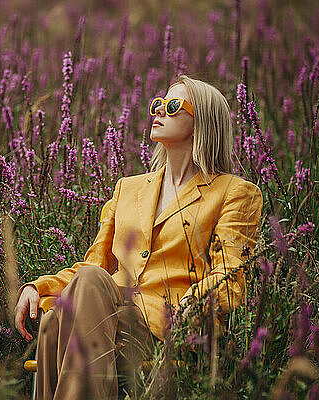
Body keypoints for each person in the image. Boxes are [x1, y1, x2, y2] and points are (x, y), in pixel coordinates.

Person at [14, 74, 264, 400]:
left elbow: (230, 277)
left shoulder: (235, 193)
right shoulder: (127, 188)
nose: (158, 110)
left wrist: (195, 304)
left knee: (56, 327)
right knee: (58, 315)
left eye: (173, 106)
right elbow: (94, 267)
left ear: (202, 121)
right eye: (157, 104)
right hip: (105, 318)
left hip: (161, 329)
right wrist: (39, 286)